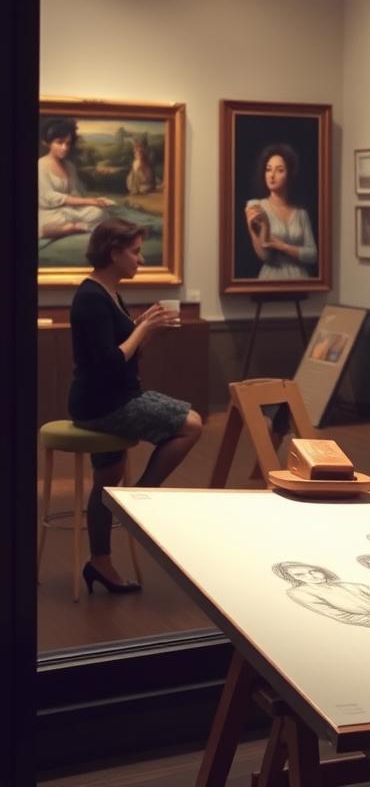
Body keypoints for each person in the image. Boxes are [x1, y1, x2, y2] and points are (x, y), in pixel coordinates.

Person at [69, 219, 203, 594]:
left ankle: (100, 562)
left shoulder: (109, 293)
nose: (141, 259)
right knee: (191, 423)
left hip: (107, 398)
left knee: (107, 481)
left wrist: (147, 329)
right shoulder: (91, 298)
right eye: (135, 251)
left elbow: (124, 355)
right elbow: (109, 363)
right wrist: (142, 330)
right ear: (114, 253)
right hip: (107, 403)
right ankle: (138, 502)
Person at [243, 143, 317, 279]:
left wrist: (282, 246)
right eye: (268, 169)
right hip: (271, 277)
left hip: (300, 278)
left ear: (290, 174)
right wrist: (253, 228)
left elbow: (313, 255)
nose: (272, 175)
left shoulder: (301, 213)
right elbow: (265, 256)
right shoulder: (258, 207)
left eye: (279, 170)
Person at [38, 118, 112, 240]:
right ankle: (68, 228)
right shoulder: (40, 165)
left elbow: (76, 192)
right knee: (41, 224)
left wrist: (94, 200)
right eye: (59, 142)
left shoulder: (70, 166)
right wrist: (89, 202)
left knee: (99, 213)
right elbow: (46, 197)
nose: (64, 148)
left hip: (71, 211)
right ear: (47, 143)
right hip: (50, 213)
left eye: (68, 143)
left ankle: (73, 227)